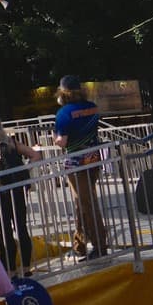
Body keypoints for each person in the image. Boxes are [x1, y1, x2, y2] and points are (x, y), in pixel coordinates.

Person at [0, 113, 42, 277]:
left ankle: (10, 270)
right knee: (22, 228)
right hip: (17, 190)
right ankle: (26, 268)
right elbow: (35, 155)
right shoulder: (11, 142)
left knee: (6, 232)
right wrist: (24, 170)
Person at [54, 75, 109, 259]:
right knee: (82, 203)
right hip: (93, 160)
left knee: (86, 203)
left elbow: (62, 142)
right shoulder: (92, 107)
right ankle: (79, 245)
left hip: (75, 164)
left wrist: (55, 139)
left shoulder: (63, 113)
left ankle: (100, 244)